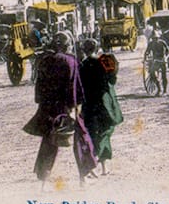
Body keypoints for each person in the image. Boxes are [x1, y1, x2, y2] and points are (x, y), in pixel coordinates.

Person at [23, 31, 97, 188]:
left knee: (49, 143)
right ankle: (83, 179)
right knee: (80, 140)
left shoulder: (43, 61)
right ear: (67, 45)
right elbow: (75, 88)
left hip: (48, 108)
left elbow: (39, 87)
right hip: (66, 107)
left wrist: (43, 105)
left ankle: (43, 181)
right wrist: (74, 108)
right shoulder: (71, 61)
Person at [80, 39, 123, 176]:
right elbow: (112, 80)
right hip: (104, 103)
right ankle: (103, 166)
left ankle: (92, 166)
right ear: (97, 48)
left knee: (91, 133)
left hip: (88, 104)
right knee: (106, 131)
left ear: (84, 50)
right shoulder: (103, 62)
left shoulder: (82, 65)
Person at [147, 28, 169, 96]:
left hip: (163, 61)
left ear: (158, 38)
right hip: (156, 61)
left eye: (156, 38)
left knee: (164, 76)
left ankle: (165, 91)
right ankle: (159, 89)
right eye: (154, 38)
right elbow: (147, 52)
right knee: (152, 73)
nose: (155, 40)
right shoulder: (150, 44)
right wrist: (148, 58)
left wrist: (166, 57)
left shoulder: (162, 42)